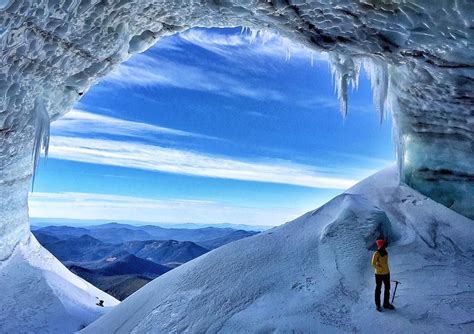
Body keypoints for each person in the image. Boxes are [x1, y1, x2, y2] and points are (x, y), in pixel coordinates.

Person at [371, 239, 395, 311]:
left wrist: (385, 270)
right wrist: (380, 269)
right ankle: (378, 305)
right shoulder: (376, 253)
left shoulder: (385, 252)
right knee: (378, 289)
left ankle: (386, 304)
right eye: (383, 244)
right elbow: (373, 263)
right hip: (379, 274)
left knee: (387, 288)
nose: (384, 245)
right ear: (380, 245)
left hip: (387, 273)